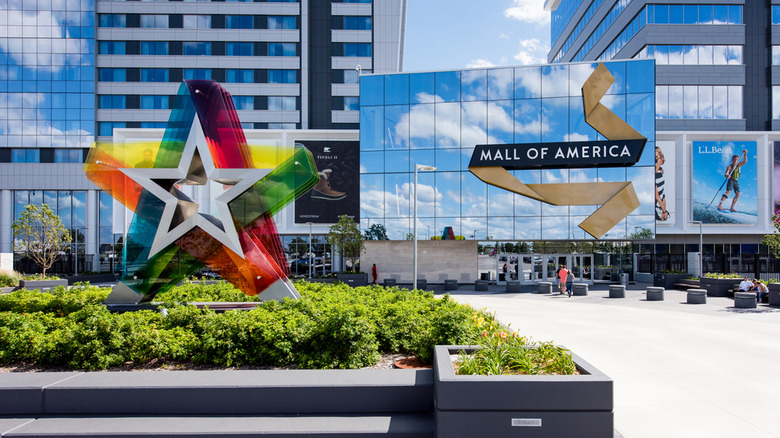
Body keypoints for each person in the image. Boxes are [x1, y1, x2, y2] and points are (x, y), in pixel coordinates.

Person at [655, 147, 670, 221]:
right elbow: (659, 169)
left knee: (657, 196)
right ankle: (664, 213)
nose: (654, 153)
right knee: (662, 196)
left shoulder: (659, 159)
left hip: (657, 179)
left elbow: (655, 170)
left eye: (656, 151)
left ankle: (664, 212)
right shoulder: (659, 159)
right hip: (659, 178)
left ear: (659, 152)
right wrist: (661, 169)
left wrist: (658, 169)